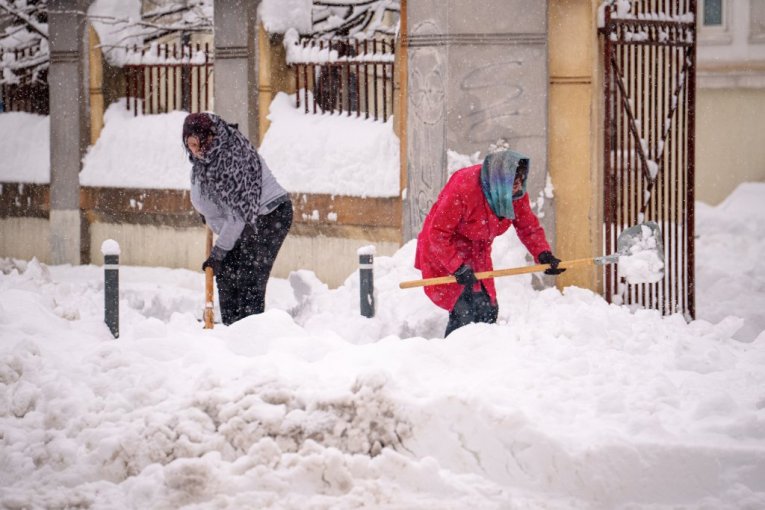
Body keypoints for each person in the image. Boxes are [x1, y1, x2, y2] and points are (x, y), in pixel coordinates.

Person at [414, 149, 565, 337]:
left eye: (520, 180)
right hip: (444, 251)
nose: (518, 187)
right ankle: (453, 353)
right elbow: (438, 234)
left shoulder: (515, 195)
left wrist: (543, 254)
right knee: (464, 310)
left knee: (488, 309)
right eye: (513, 182)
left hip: (478, 253)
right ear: (500, 181)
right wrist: (457, 267)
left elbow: (528, 227)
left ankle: (484, 353)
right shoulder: (463, 188)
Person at [182, 112, 293, 325]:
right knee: (227, 273)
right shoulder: (207, 156)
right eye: (190, 145)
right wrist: (207, 213)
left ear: (208, 137)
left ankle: (249, 332)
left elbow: (237, 215)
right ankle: (231, 328)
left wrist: (218, 252)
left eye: (196, 144)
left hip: (270, 216)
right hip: (244, 221)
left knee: (249, 278)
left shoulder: (232, 159)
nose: (194, 151)